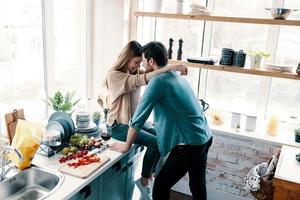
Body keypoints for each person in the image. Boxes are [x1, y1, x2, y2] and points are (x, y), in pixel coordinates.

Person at [110, 41, 213, 200]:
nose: (141, 65)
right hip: (204, 136)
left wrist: (126, 146)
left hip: (189, 144)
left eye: (143, 61)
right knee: (197, 184)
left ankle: (146, 178)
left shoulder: (158, 81)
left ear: (151, 61)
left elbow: (138, 119)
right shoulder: (175, 76)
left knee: (161, 186)